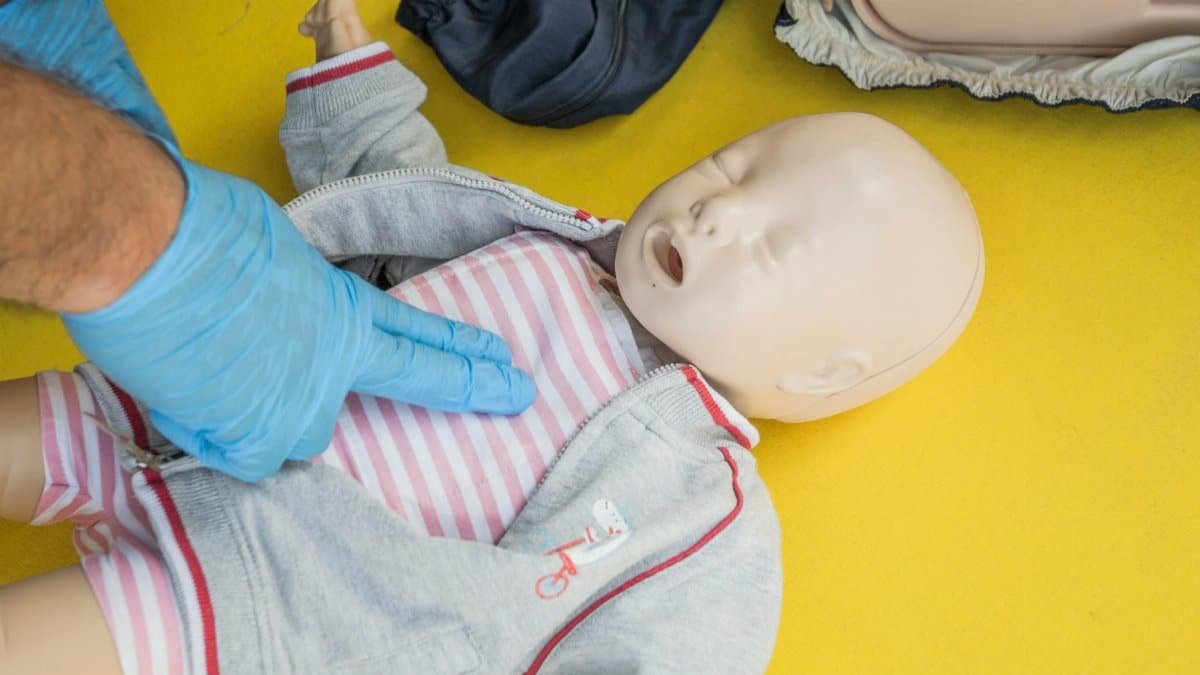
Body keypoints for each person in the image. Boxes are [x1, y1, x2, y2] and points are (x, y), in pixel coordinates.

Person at [0, 0, 983, 672]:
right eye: (731, 167)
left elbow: (664, 656)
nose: (720, 212)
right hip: (187, 386)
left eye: (776, 248)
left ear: (819, 373)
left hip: (262, 595)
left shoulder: (707, 521)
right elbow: (401, 194)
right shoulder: (550, 239)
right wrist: (351, 73)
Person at [0, 0, 535, 484]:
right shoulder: (536, 265)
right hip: (209, 368)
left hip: (268, 510)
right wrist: (136, 244)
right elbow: (414, 202)